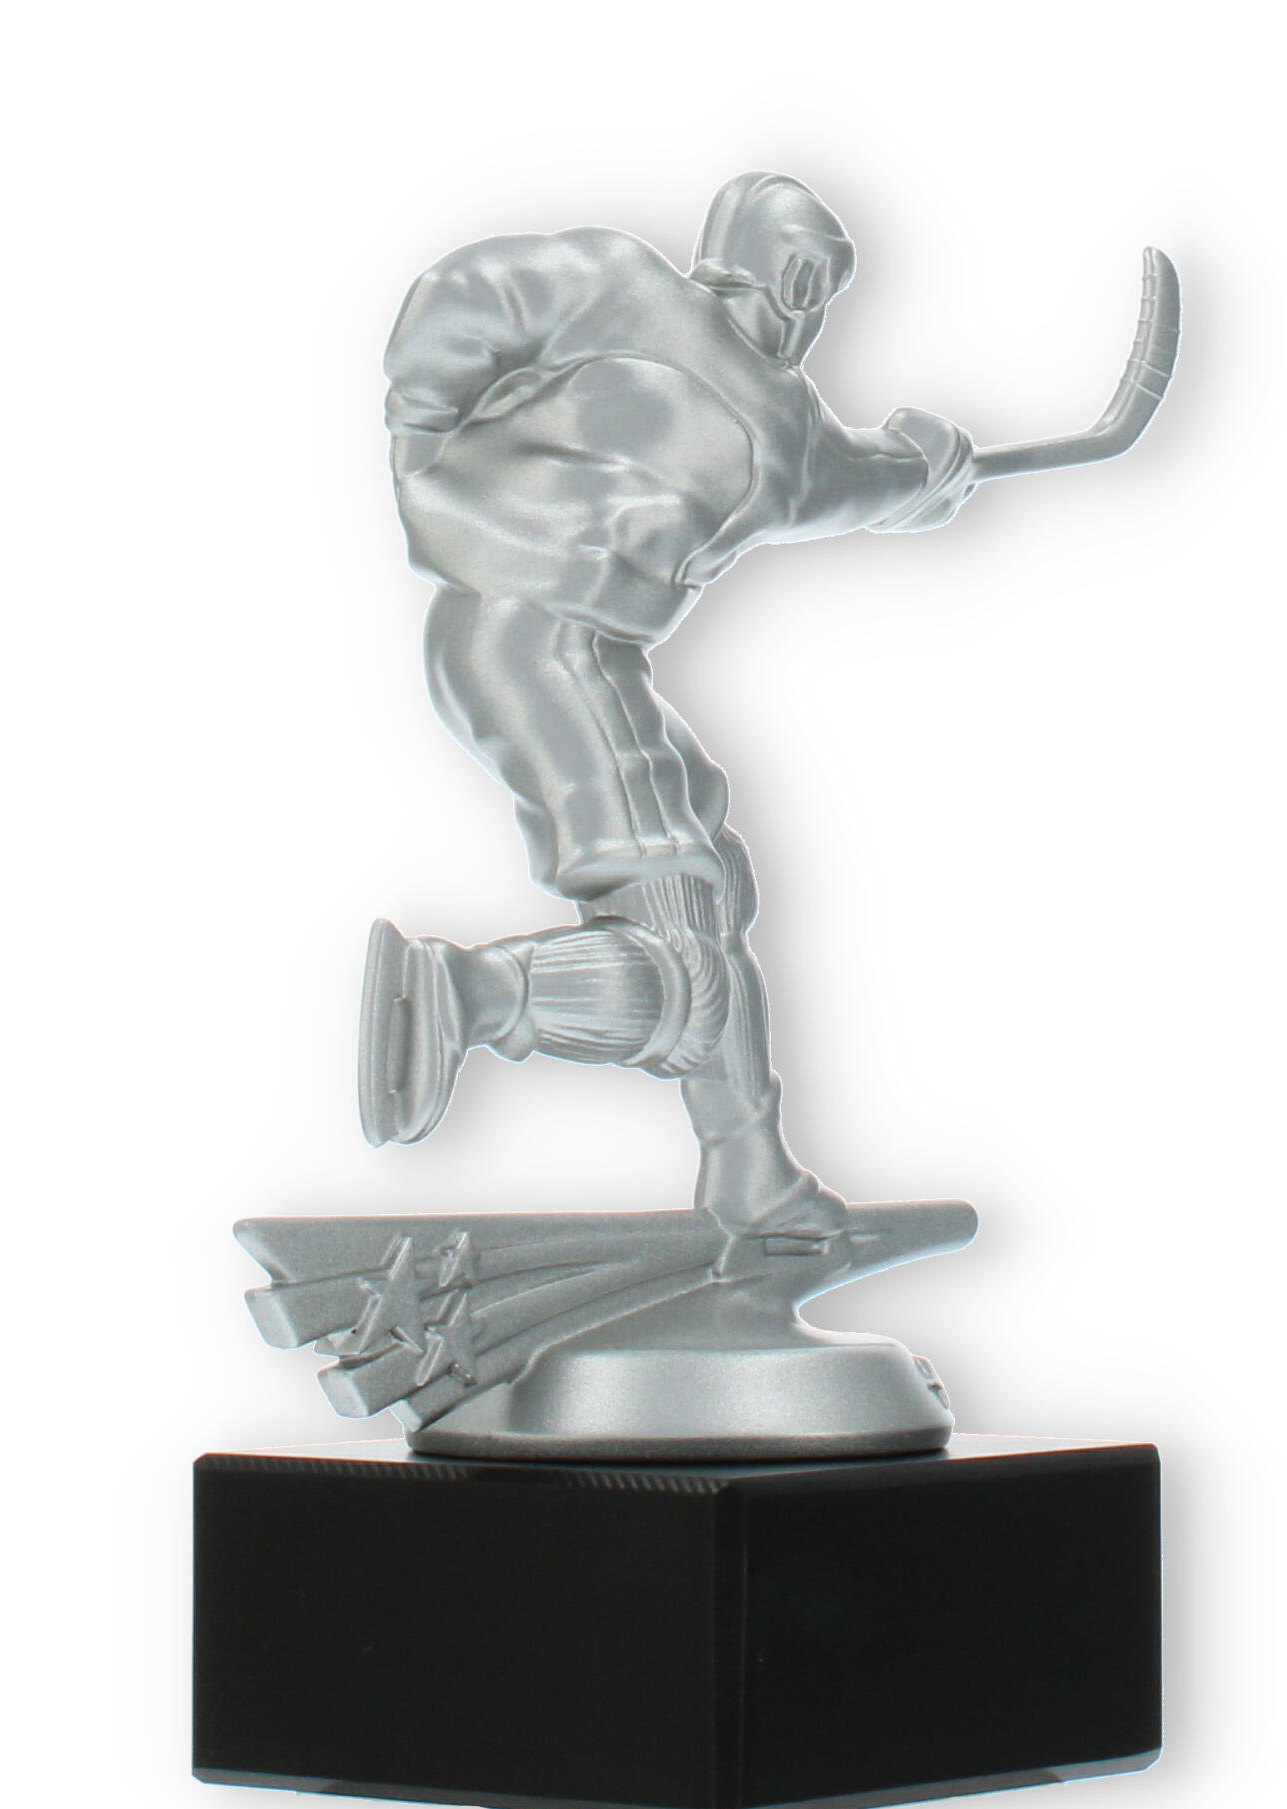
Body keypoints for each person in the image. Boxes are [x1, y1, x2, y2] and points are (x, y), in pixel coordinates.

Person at [362, 172, 978, 1237]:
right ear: (762, 264)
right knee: (686, 968)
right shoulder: (626, 289)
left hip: (575, 649)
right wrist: (420, 441)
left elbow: (857, 480)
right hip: (544, 644)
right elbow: (465, 297)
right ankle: (459, 994)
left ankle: (750, 1173)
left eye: (825, 289)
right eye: (805, 279)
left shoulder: (779, 425)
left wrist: (923, 470)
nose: (808, 312)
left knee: (707, 879)